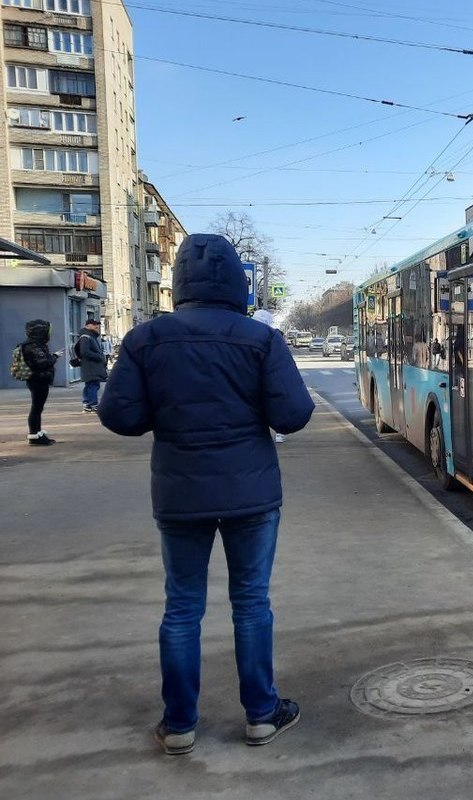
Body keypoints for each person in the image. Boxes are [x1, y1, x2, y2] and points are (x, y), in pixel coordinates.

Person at [98, 234, 314, 756]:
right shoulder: (260, 340)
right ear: (239, 284)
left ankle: (179, 725)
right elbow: (292, 414)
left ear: (177, 284)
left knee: (182, 608)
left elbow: (118, 414)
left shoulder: (145, 339)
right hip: (252, 494)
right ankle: (262, 715)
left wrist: (167, 417)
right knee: (251, 604)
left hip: (179, 494)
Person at [17, 319, 61, 446]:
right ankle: (34, 435)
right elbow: (43, 363)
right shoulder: (33, 346)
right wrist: (55, 356)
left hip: (37, 380)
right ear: (41, 332)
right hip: (38, 380)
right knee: (36, 408)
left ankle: (37, 433)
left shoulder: (33, 344)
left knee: (37, 408)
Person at [252, 309, 288, 444]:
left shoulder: (242, 333)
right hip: (269, 380)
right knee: (275, 406)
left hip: (252, 381)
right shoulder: (273, 337)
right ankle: (280, 432)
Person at [75, 318, 107, 412]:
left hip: (91, 366)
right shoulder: (86, 337)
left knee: (90, 385)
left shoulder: (90, 336)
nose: (96, 326)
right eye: (94, 324)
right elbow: (84, 352)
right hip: (91, 366)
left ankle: (87, 404)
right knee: (93, 385)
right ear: (88, 326)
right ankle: (92, 404)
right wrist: (99, 357)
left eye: (97, 324)